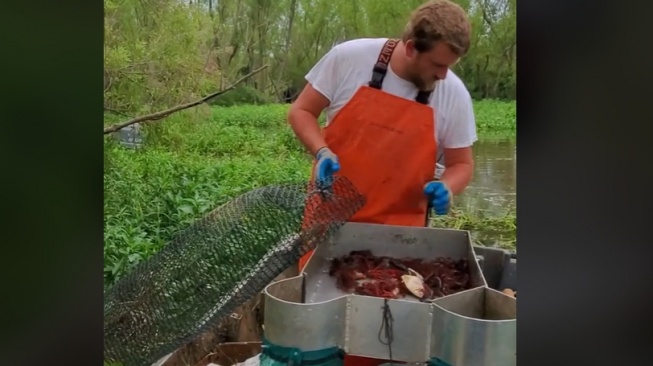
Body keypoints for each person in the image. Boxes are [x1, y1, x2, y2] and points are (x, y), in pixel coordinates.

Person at [288, 1, 476, 364]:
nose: (443, 76)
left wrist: (448, 186)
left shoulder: (453, 93)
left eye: (449, 67)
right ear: (410, 47)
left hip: (399, 240)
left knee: (382, 339)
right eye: (437, 65)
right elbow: (301, 111)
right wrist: (322, 150)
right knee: (319, 333)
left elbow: (462, 163)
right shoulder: (349, 58)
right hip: (330, 224)